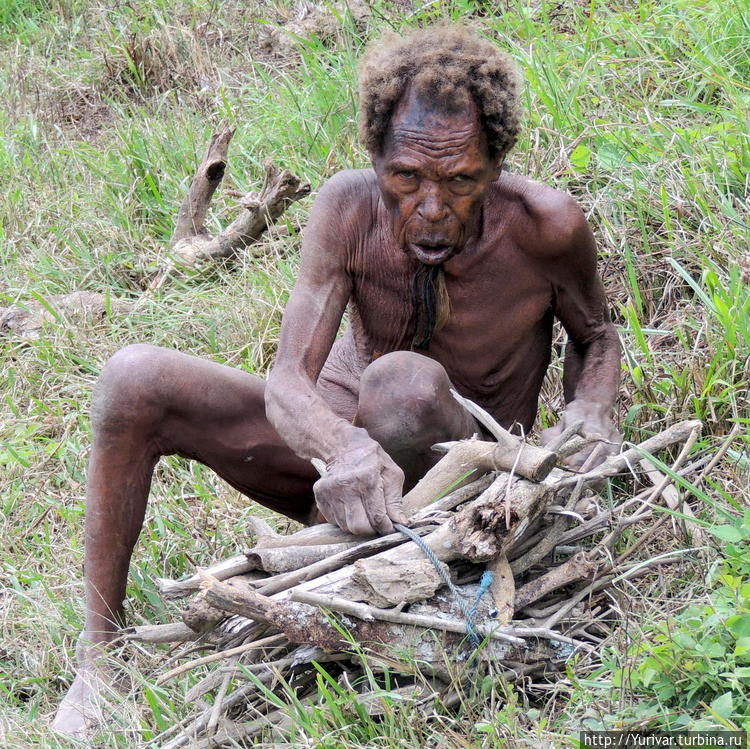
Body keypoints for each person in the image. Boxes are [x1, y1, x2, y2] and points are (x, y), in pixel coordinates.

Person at [54, 24, 621, 737]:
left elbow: (596, 337)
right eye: (407, 177)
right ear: (375, 157)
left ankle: (356, 564)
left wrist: (592, 411)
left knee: (403, 385)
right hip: (340, 470)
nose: (433, 206)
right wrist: (340, 448)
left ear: (497, 165)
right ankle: (98, 661)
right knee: (132, 377)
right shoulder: (348, 211)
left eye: (461, 180)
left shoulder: (546, 227)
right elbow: (289, 380)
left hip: (459, 479)